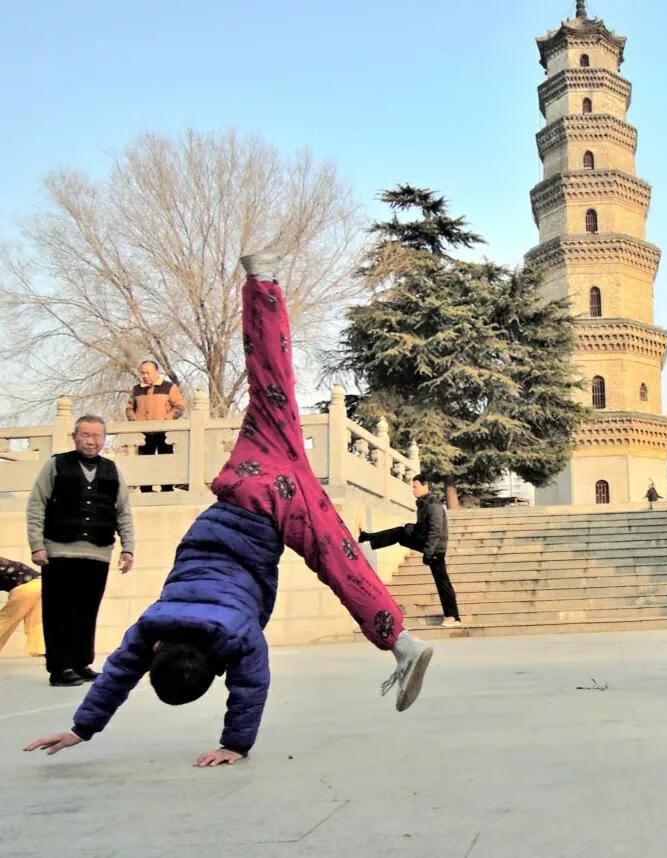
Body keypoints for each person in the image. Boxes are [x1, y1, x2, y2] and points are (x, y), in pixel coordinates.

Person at [24, 253, 433, 767]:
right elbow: (117, 675)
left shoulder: (236, 640)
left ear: (212, 667)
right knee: (269, 380)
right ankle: (262, 283)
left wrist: (233, 745)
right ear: (156, 653)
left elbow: (250, 688)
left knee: (340, 558)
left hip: (279, 507)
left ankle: (401, 640)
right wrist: (78, 730)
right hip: (244, 479)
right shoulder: (151, 626)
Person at [26, 414, 136, 686]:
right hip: (59, 551)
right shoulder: (56, 465)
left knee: (87, 611)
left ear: (103, 439)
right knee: (58, 611)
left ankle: (80, 662)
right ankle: (60, 668)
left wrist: (128, 548)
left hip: (97, 553)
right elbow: (36, 505)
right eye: (85, 435)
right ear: (75, 437)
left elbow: (123, 511)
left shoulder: (112, 470)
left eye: (97, 436)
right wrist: (37, 546)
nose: (91, 441)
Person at [360, 476, 462, 628]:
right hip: (426, 543)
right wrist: (411, 529)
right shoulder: (423, 504)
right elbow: (423, 527)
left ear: (425, 486)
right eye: (412, 486)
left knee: (443, 583)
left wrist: (428, 552)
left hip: (434, 549)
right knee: (401, 532)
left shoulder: (433, 505)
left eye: (416, 486)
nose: (413, 490)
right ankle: (367, 537)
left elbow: (435, 531)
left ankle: (453, 617)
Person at [126, 359, 187, 493]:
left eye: (148, 373)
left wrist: (167, 418)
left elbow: (180, 407)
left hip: (165, 431)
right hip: (143, 433)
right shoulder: (136, 390)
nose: (145, 376)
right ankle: (145, 489)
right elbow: (130, 408)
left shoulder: (169, 387)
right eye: (143, 373)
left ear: (156, 372)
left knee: (166, 459)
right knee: (144, 461)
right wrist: (133, 419)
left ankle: (167, 488)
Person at [0, 556, 44, 657]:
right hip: (41, 583)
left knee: (5, 619)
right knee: (35, 621)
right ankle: (40, 650)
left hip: (26, 587)